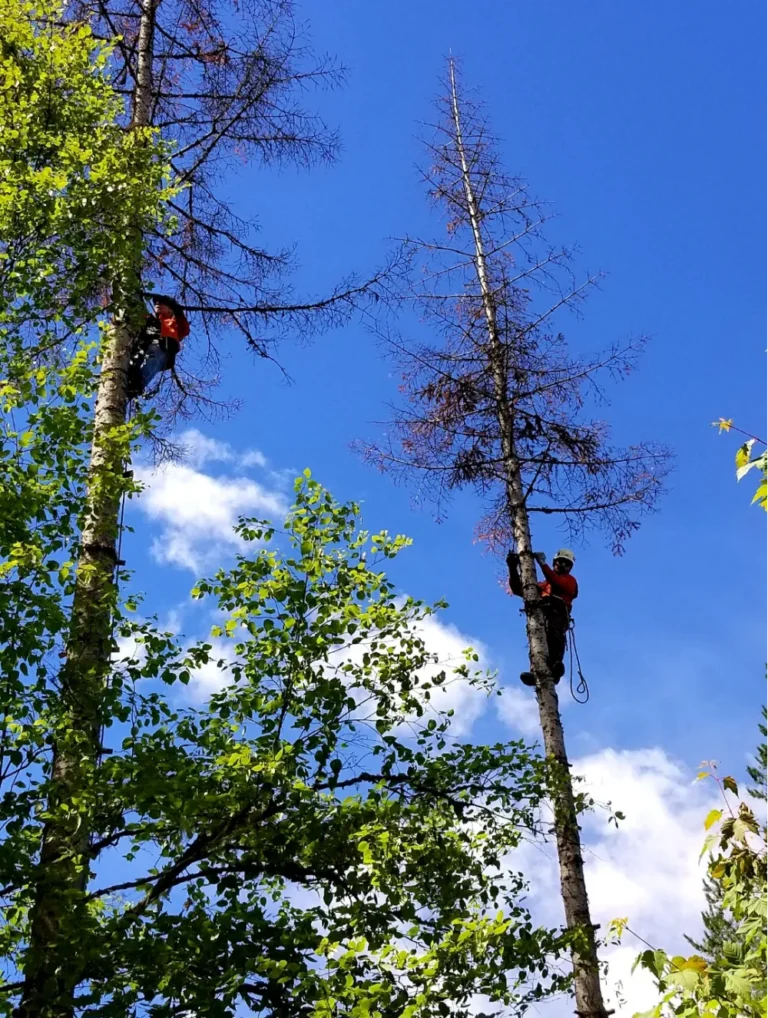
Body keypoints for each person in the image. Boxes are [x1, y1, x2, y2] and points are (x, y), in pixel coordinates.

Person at [506, 548, 578, 687]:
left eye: (566, 563)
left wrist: (542, 564)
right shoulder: (543, 586)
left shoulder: (570, 581)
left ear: (570, 567)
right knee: (536, 642)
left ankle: (555, 667)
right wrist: (512, 568)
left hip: (557, 615)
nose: (562, 565)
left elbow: (557, 582)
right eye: (560, 562)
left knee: (554, 637)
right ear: (554, 563)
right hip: (540, 616)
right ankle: (536, 672)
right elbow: (518, 589)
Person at [127, 295, 190, 398]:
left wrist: (178, 311)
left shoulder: (174, 322)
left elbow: (184, 329)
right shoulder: (147, 318)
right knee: (134, 363)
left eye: (162, 304)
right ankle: (129, 378)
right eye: (156, 303)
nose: (157, 304)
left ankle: (137, 384)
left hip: (163, 347)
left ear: (170, 310)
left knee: (154, 353)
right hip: (141, 347)